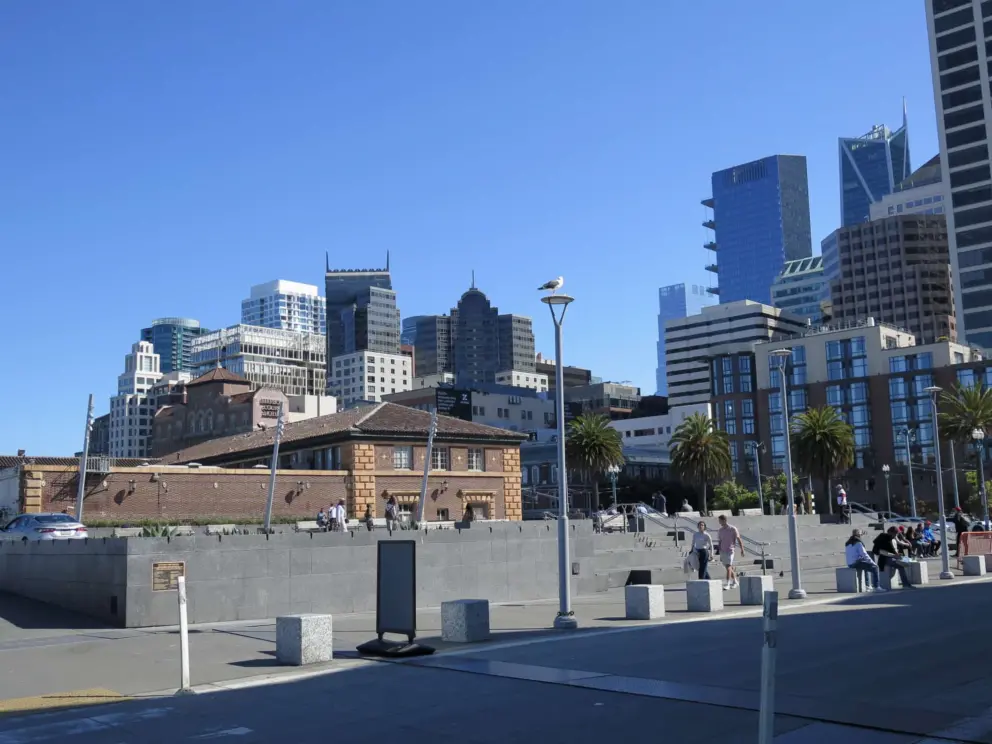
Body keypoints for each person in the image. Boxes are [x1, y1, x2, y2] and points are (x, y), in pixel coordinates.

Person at [717, 514, 746, 590]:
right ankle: (736, 582)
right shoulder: (720, 530)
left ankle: (728, 584)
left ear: (724, 520)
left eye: (720, 521)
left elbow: (738, 539)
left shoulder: (733, 529)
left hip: (730, 550)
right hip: (723, 551)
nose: (719, 522)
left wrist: (742, 549)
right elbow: (720, 541)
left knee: (728, 567)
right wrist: (719, 551)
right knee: (729, 568)